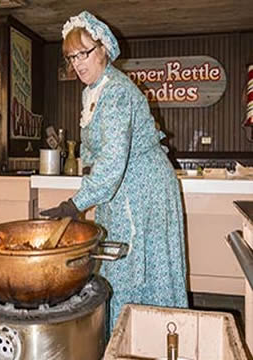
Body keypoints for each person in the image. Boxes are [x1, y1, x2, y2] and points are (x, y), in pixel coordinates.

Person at [40, 11, 188, 331]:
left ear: (104, 48)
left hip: (142, 193)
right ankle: (124, 346)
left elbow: (113, 161)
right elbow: (97, 155)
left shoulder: (117, 92)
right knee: (117, 263)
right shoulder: (92, 91)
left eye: (85, 53)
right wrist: (88, 190)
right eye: (71, 56)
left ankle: (145, 346)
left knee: (134, 267)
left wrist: (75, 204)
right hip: (120, 192)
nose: (78, 63)